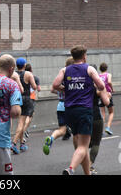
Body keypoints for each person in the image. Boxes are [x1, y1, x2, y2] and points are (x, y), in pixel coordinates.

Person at [52, 45, 108, 175]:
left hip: (69, 110)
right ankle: (71, 169)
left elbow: (55, 85)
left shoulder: (65, 70)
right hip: (84, 110)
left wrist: (67, 89)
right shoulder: (89, 69)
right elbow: (101, 85)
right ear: (84, 56)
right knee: (83, 146)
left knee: (80, 140)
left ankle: (87, 173)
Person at [43, 57, 74, 156]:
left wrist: (61, 92)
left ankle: (51, 138)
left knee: (62, 130)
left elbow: (53, 89)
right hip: (71, 105)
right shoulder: (74, 75)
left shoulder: (61, 74)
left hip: (60, 105)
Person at [11, 58, 37, 154]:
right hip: (26, 98)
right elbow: (34, 87)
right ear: (24, 65)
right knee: (21, 123)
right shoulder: (28, 74)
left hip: (16, 98)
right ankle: (13, 143)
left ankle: (22, 143)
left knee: (20, 122)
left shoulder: (13, 74)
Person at [23, 64, 41, 142]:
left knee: (24, 116)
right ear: (31, 69)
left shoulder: (21, 76)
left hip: (22, 97)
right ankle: (24, 130)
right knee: (29, 116)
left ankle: (24, 129)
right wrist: (36, 86)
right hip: (31, 97)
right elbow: (39, 89)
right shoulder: (35, 78)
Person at [98, 63, 114, 135]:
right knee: (111, 112)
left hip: (100, 94)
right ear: (106, 68)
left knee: (103, 113)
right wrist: (112, 89)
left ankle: (100, 130)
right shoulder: (108, 75)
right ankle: (108, 127)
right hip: (107, 94)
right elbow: (109, 81)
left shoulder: (98, 75)